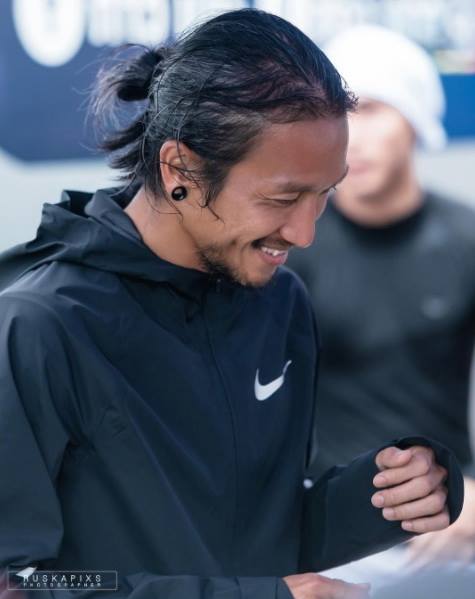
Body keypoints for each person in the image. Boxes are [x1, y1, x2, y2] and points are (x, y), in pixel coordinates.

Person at [0, 10, 464, 599]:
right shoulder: (39, 325)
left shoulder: (280, 300)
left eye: (325, 193)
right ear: (181, 169)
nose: (304, 233)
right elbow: (19, 581)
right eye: (283, 198)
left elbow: (264, 532)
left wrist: (385, 498)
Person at [287, 23, 475, 579]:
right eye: (336, 116)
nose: (353, 136)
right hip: (323, 534)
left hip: (444, 531)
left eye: (369, 110)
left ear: (415, 119)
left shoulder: (465, 240)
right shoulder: (288, 246)